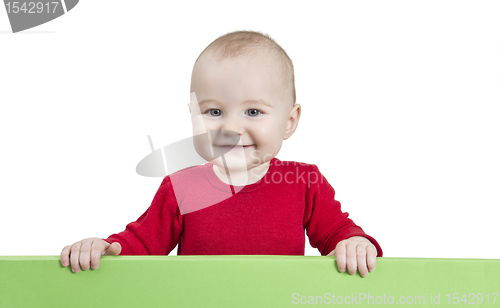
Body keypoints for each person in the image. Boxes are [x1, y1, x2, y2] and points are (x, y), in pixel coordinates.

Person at [60, 30, 383, 277]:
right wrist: (104, 248)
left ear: (289, 121)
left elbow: (339, 233)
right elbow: (141, 245)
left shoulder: (304, 181)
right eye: (213, 112)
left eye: (253, 112)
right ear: (192, 115)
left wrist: (355, 243)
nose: (231, 128)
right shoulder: (181, 186)